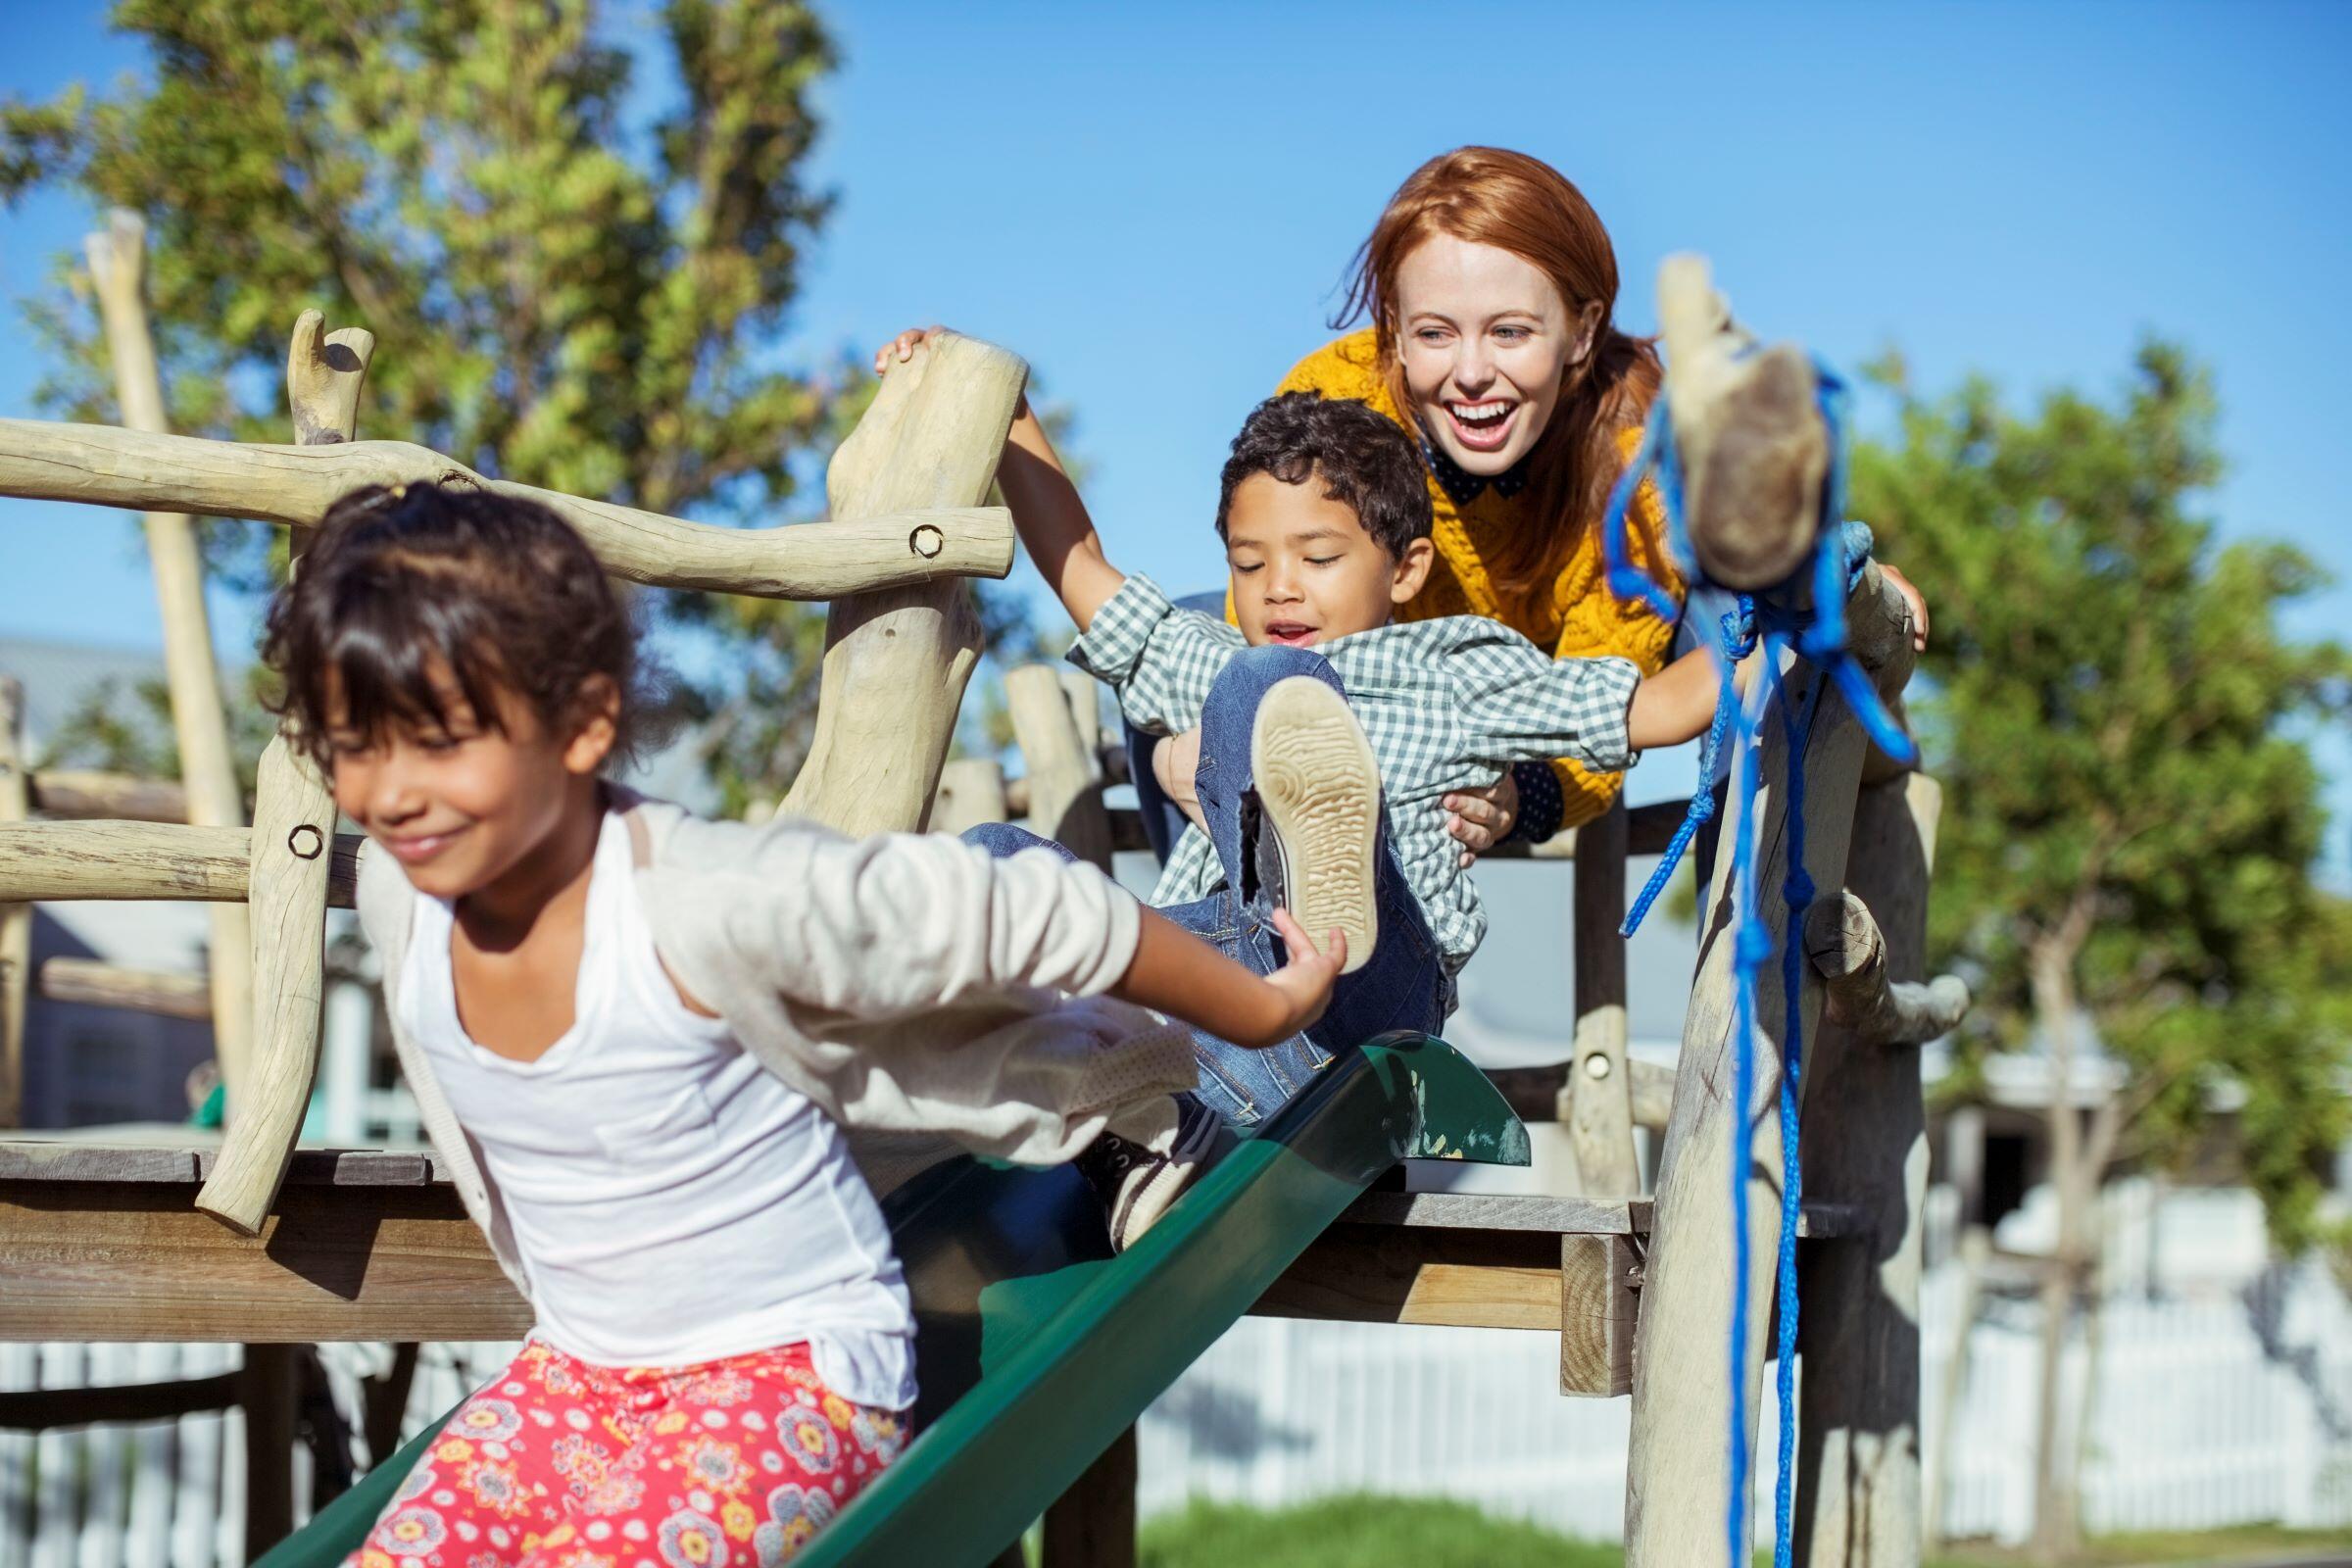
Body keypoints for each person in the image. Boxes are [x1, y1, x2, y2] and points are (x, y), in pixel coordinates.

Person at [273, 482, 1345, 1567]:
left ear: (583, 717)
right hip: (582, 1371)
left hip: (785, 1372)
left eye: (443, 739)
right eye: (355, 743)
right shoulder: (406, 898)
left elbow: (1022, 910)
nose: (395, 791)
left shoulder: (703, 900)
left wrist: (1263, 1007)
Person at [873, 346, 1723, 1126]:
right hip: (1208, 1009)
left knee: (1267, 686)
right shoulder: (1210, 660)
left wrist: (1786, 619)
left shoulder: (1457, 667)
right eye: (1249, 564)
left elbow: (1657, 707)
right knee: (996, 856)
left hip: (1369, 1011)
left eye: (1318, 559)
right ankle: (1107, 1102)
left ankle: (1319, 904)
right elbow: (1081, 566)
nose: (1279, 588)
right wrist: (1008, 403)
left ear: (1408, 568)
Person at [1207, 145, 1930, 861]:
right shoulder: (1338, 402)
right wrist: (1205, 737)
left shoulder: (1634, 455)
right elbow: (1269, 600)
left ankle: (1752, 955)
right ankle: (1229, 943)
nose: (1471, 373)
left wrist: (1524, 795)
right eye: (1434, 333)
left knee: (1738, 622)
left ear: (1581, 332)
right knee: (1198, 629)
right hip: (1377, 685)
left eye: (1511, 331)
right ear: (1393, 329)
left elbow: (1616, 691)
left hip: (1568, 680)